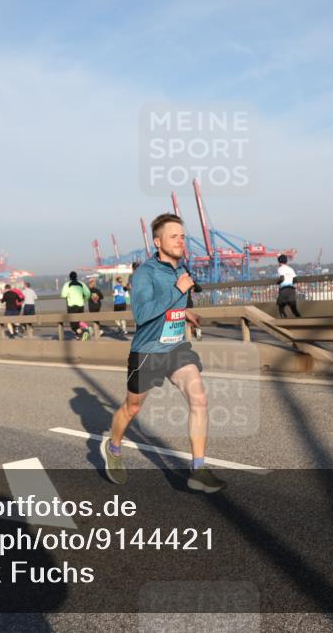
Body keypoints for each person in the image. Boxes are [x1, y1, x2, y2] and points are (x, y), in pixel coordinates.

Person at [101, 212, 226, 494]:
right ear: (158, 242)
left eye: (182, 236)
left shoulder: (179, 270)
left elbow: (168, 305)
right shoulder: (144, 273)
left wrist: (185, 313)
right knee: (132, 407)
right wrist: (177, 290)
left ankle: (198, 469)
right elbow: (143, 314)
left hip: (176, 347)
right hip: (148, 351)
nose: (181, 241)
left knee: (199, 398)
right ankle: (114, 447)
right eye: (174, 236)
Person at [61, 271, 91, 339]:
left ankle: (84, 332)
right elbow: (88, 294)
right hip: (81, 305)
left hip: (72, 306)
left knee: (73, 324)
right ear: (76, 276)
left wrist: (68, 295)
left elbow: (63, 295)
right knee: (79, 321)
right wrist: (84, 300)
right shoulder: (81, 283)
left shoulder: (67, 284)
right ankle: (79, 335)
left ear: (70, 277)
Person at [275, 254, 301, 318]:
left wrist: (277, 283)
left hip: (284, 290)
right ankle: (301, 320)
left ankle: (284, 321)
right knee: (294, 309)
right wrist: (289, 281)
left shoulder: (280, 269)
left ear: (279, 262)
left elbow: (282, 278)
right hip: (292, 290)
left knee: (281, 307)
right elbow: (295, 279)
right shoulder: (290, 269)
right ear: (286, 261)